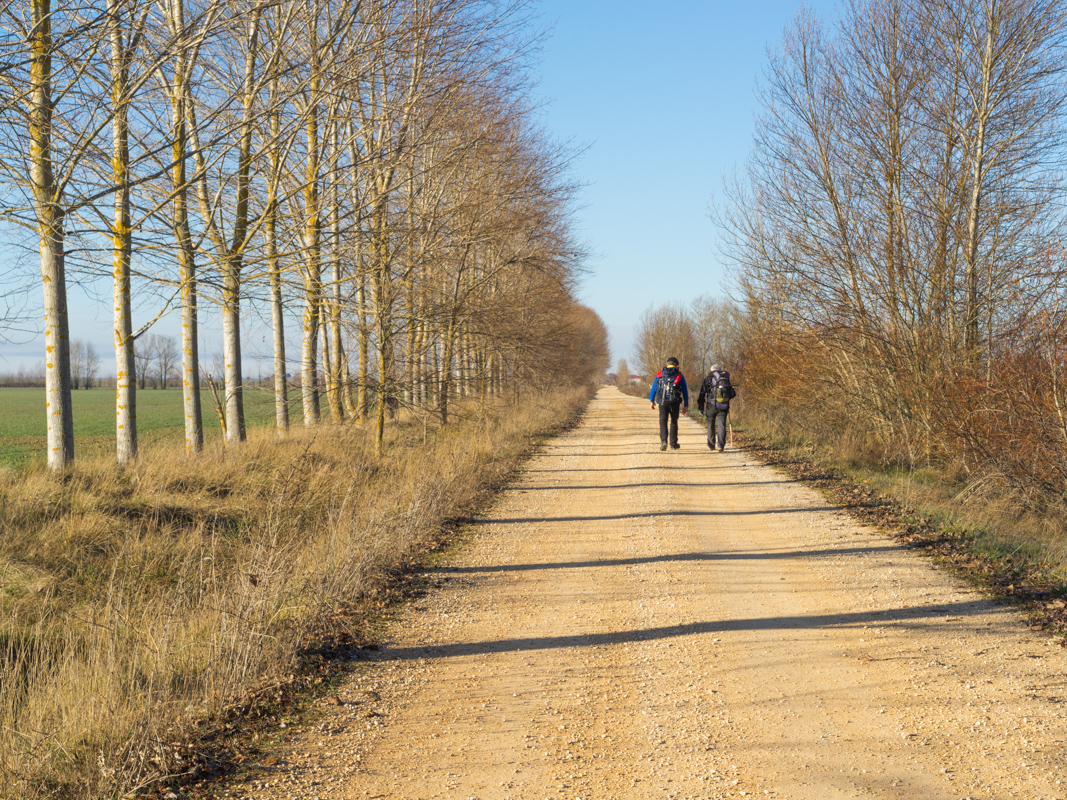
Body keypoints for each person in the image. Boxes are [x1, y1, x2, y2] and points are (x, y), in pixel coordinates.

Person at [649, 357, 689, 451]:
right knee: (674, 422)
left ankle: (664, 442)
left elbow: (654, 389)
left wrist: (652, 401)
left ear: (667, 364)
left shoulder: (660, 374)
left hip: (662, 402)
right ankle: (673, 444)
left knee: (663, 421)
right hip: (675, 402)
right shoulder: (679, 375)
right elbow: (685, 391)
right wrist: (686, 405)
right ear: (677, 365)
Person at [697, 364, 736, 452]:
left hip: (710, 406)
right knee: (721, 425)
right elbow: (733, 394)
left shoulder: (708, 378)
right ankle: (720, 446)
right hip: (723, 406)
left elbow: (702, 394)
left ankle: (711, 444)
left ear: (711, 370)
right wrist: (725, 399)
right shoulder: (725, 378)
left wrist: (700, 407)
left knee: (710, 425)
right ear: (720, 370)